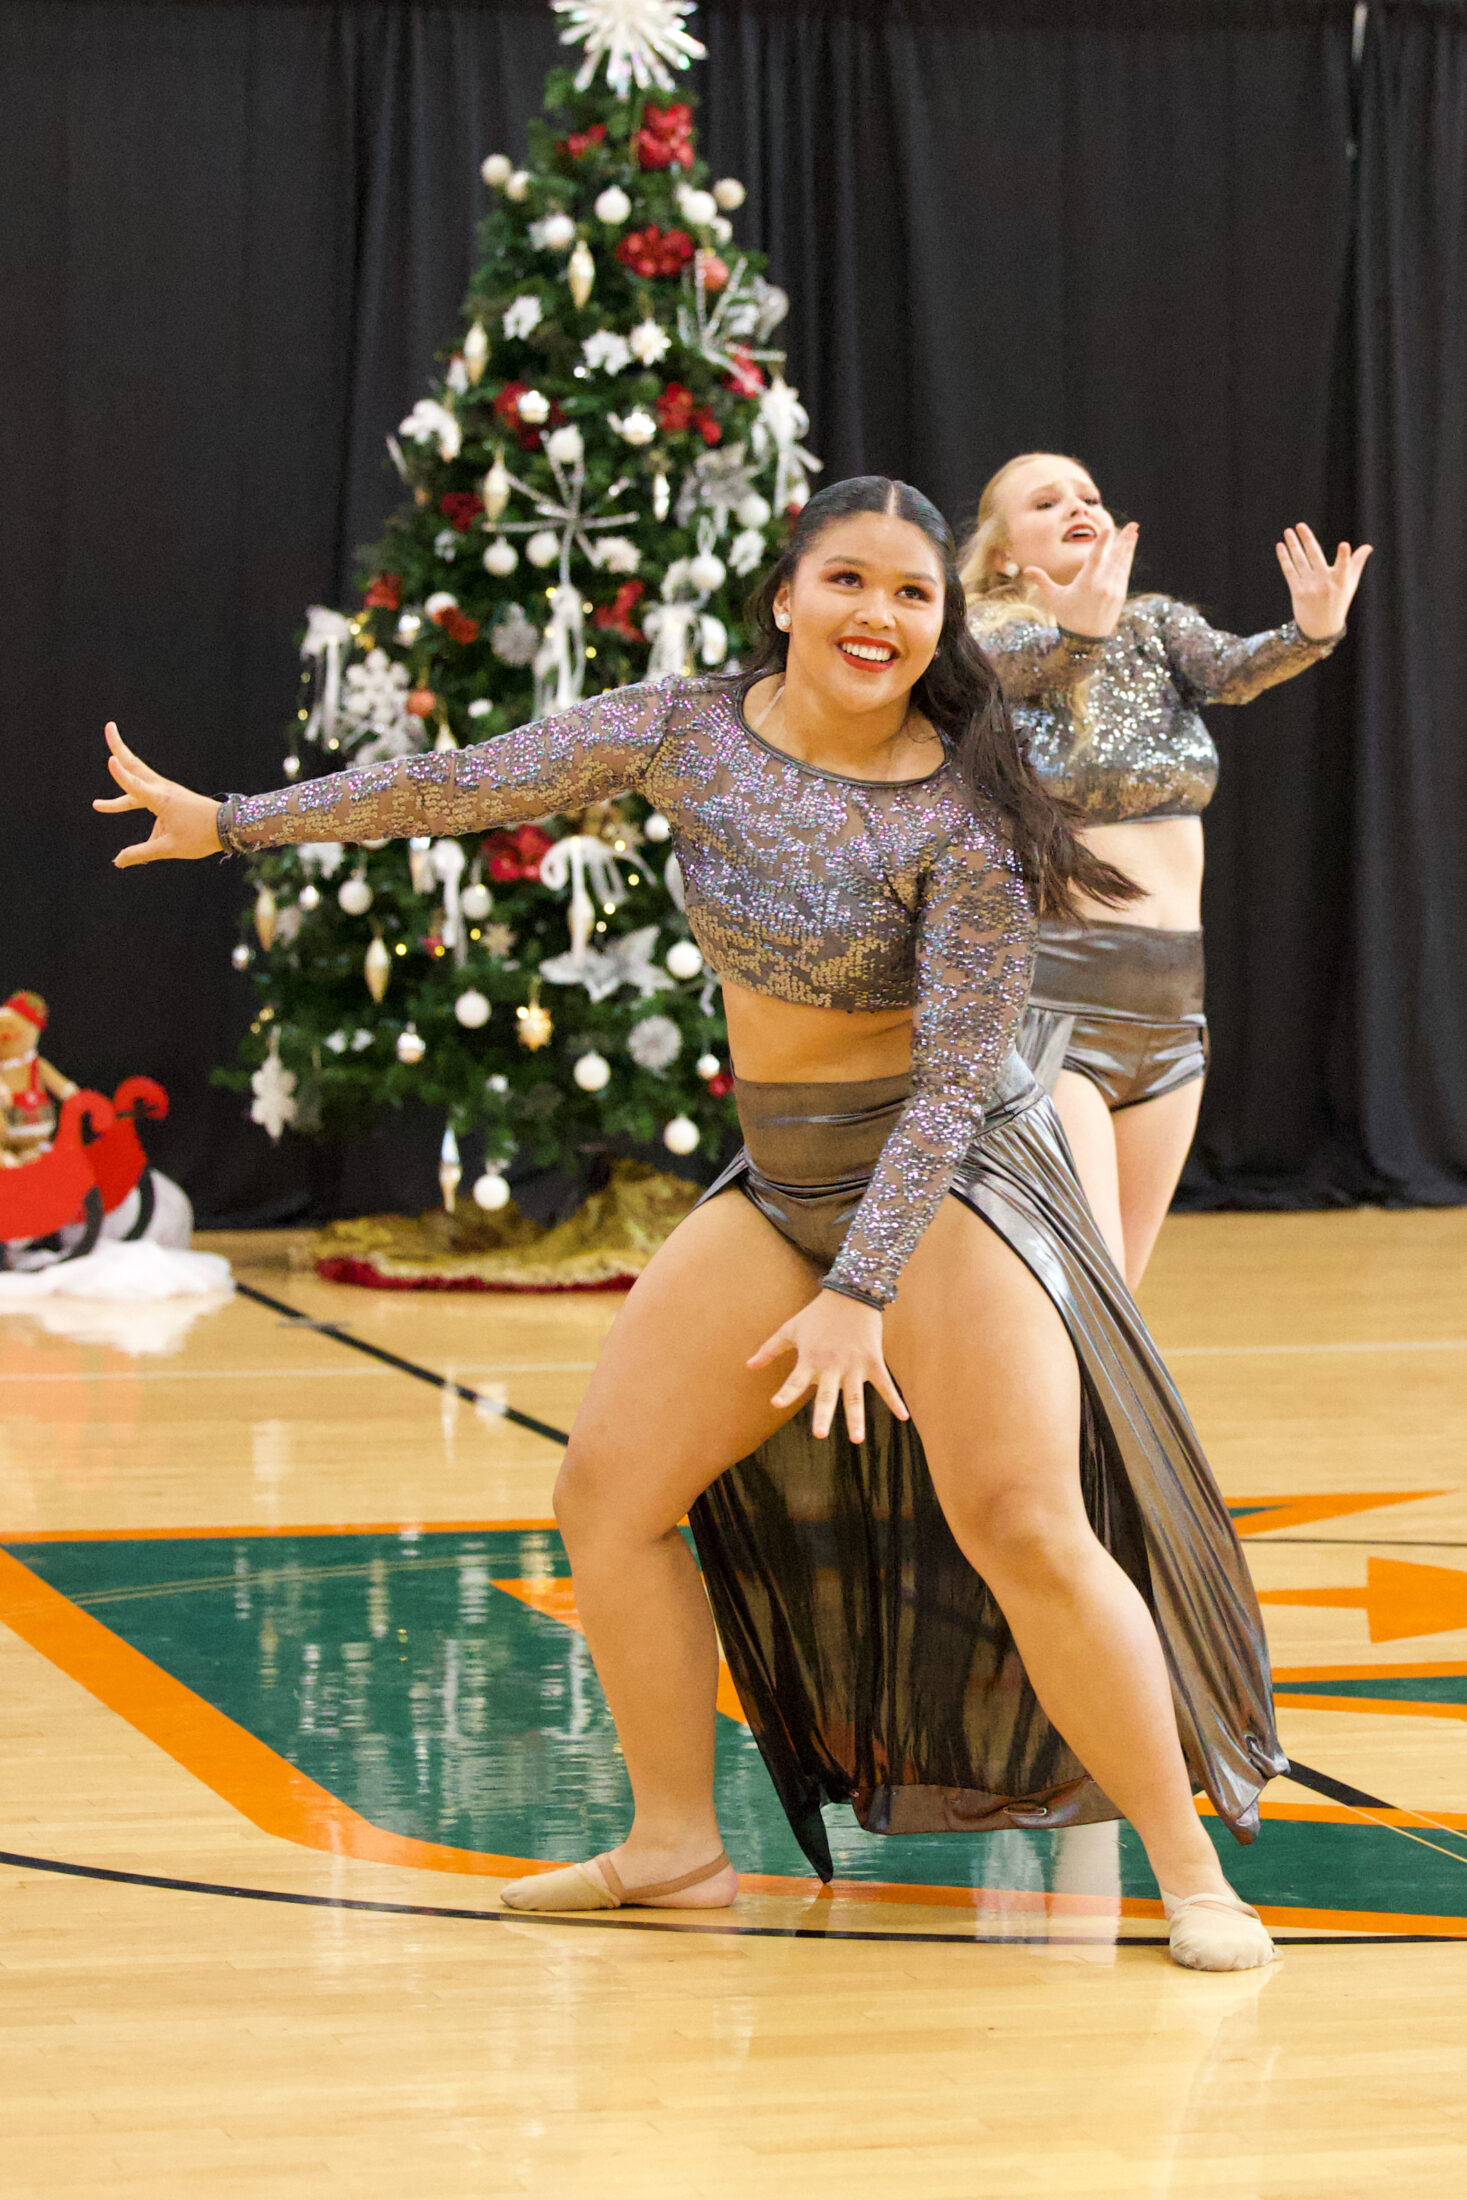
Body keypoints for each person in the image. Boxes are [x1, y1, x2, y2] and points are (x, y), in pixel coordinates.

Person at [96, 476, 1285, 1970]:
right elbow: (463, 782)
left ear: (941, 625)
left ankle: (1190, 1876)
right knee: (607, 1494)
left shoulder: (965, 808)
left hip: (951, 1178)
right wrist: (233, 822)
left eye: (911, 593)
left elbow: (948, 1084)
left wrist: (860, 1290)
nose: (877, 614)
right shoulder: (686, 728)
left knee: (1019, 1519)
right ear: (784, 596)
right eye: (846, 580)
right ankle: (674, 1846)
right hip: (784, 1176)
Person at [963, 455, 1370, 1288]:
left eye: (1089, 496)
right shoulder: (984, 636)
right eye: (1046, 501)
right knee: (1083, 1276)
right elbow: (1039, 664)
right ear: (1001, 552)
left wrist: (1309, 633)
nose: (1077, 506)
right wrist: (1079, 629)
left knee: (1119, 1287)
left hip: (1173, 1010)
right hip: (1057, 1004)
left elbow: (1234, 670)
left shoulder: (1153, 626)